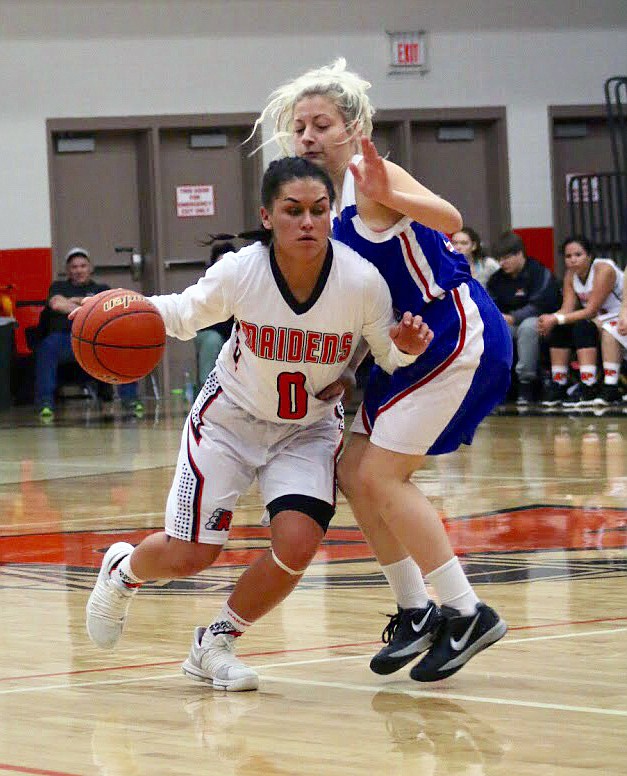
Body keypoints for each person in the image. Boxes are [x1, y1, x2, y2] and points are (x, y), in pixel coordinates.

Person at [81, 157, 434, 691]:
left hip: (307, 428)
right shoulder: (242, 270)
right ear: (267, 216)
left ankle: (214, 643)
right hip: (230, 421)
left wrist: (404, 349)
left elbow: (385, 354)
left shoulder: (360, 281)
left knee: (296, 544)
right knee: (190, 556)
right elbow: (180, 313)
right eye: (293, 211)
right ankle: (123, 571)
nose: (308, 222)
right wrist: (115, 307)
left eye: (319, 210)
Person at [252, 58, 511, 683]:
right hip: (402, 345)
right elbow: (366, 302)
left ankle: (467, 611)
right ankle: (416, 609)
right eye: (300, 126)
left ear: (353, 128)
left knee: (382, 474)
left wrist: (393, 193)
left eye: (321, 124)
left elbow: (450, 220)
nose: (308, 136)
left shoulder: (372, 177)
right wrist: (348, 367)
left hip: (452, 333)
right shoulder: (325, 202)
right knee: (350, 471)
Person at [33, 247, 142, 420]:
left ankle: (130, 399)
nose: (79, 270)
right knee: (48, 346)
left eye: (83, 266)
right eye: (74, 267)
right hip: (66, 339)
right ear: (68, 270)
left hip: (97, 339)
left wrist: (74, 302)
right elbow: (56, 304)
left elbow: (111, 310)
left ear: (90, 268)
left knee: (122, 344)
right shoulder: (58, 286)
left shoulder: (102, 288)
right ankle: (46, 403)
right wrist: (89, 308)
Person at [538, 236, 625, 407]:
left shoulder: (604, 269)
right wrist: (550, 318)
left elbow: (591, 310)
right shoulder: (570, 275)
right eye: (568, 256)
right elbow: (567, 309)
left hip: (620, 316)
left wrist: (556, 318)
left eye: (578, 254)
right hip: (599, 318)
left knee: (583, 327)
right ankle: (559, 383)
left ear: (589, 256)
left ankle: (591, 384)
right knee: (559, 328)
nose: (573, 259)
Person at [488, 231, 561, 404]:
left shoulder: (539, 272)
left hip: (543, 323)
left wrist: (512, 317)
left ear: (520, 254)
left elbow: (540, 305)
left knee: (528, 326)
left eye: (506, 258)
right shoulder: (496, 280)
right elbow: (490, 306)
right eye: (499, 259)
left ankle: (526, 383)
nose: (502, 263)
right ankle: (497, 382)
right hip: (510, 325)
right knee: (495, 330)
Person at [194, 241, 236, 386]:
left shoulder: (244, 284)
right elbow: (208, 322)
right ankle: (207, 389)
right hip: (211, 331)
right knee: (212, 341)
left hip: (235, 334)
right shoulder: (206, 286)